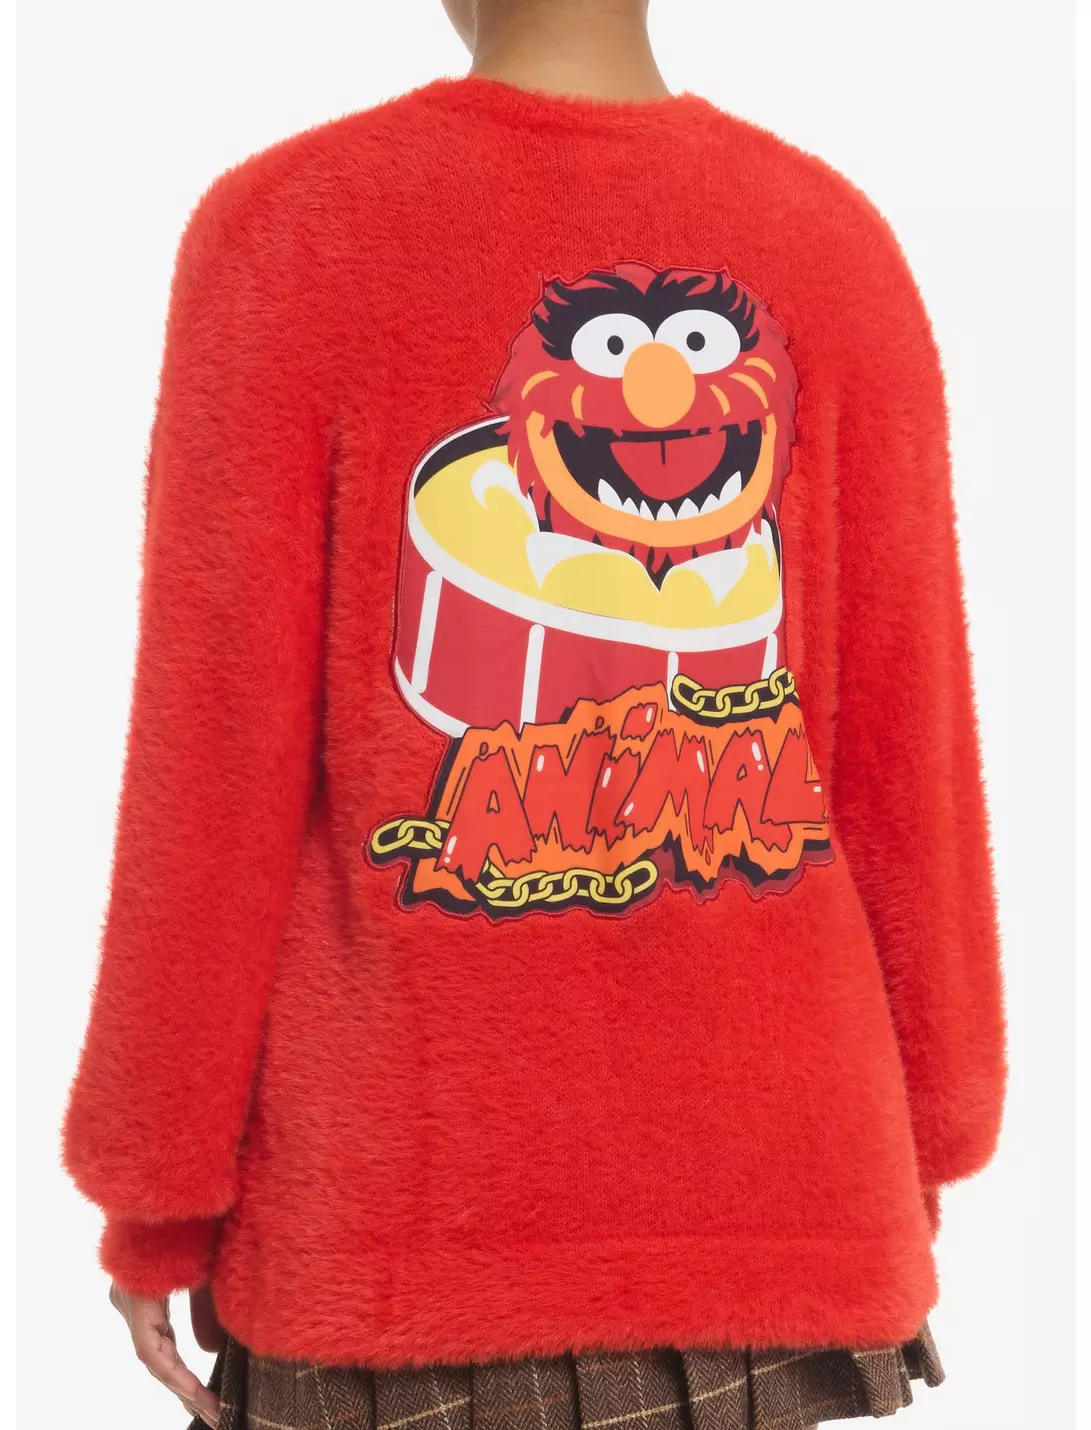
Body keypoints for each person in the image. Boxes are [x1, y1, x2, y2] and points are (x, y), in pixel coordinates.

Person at [63, 2, 1007, 1426]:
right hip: (779, 1197)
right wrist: (929, 1127)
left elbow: (212, 764)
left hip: (396, 1222)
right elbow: (908, 752)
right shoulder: (831, 240)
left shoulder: (293, 229)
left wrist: (158, 1187)